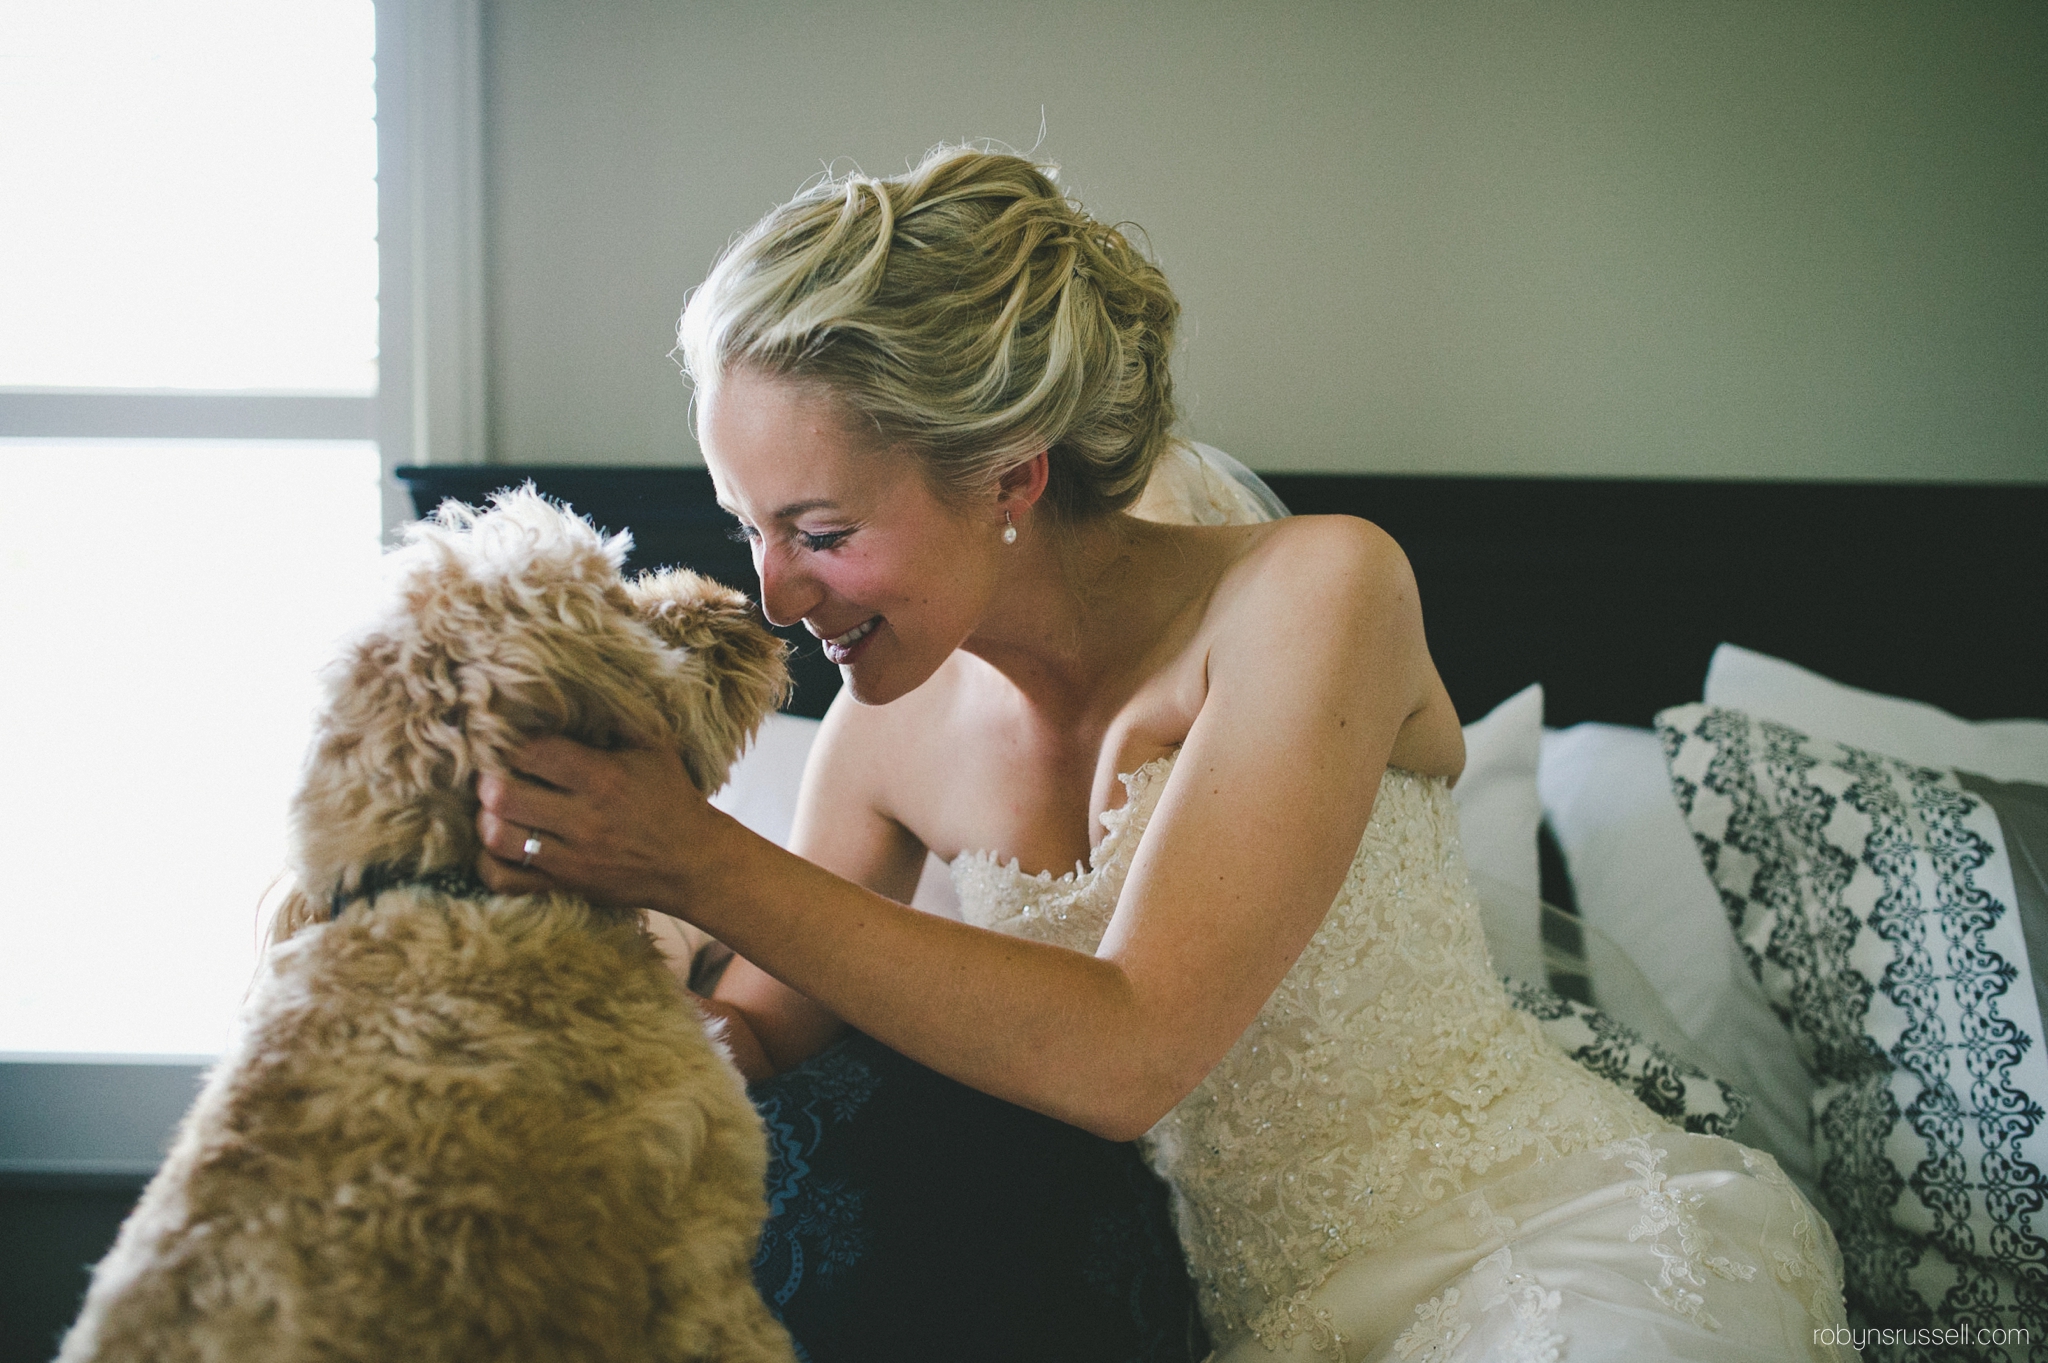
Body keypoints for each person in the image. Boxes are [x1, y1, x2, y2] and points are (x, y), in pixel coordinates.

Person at [474, 147, 1853, 1361]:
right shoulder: (880, 731)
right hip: (1231, 1322)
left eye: (823, 533)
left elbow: (1134, 1051)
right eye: (748, 529)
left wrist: (700, 859)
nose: (775, 595)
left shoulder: (1321, 592)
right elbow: (766, 1029)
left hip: (1536, 1251)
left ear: (1013, 473)